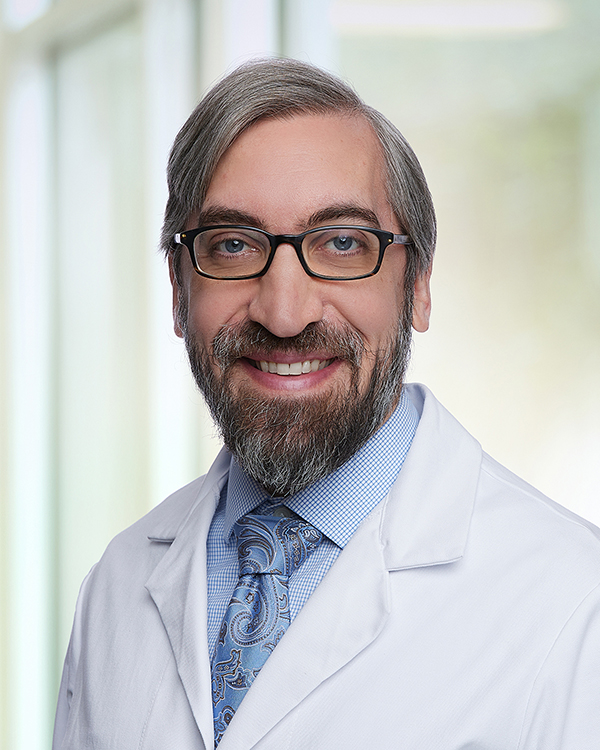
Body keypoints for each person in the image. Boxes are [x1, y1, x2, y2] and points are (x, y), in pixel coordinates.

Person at [53, 58, 600, 750]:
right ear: (177, 290)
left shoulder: (573, 603)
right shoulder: (118, 583)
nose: (285, 314)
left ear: (418, 284)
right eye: (232, 245)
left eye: (343, 243)